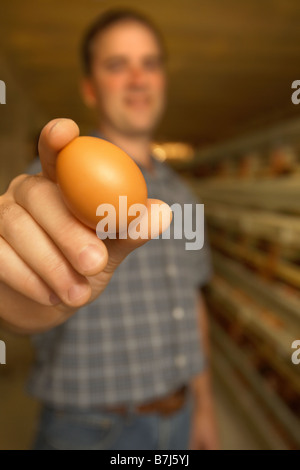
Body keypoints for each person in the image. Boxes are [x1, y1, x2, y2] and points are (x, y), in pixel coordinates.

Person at [0, 8, 220, 450]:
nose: (138, 78)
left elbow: (192, 299)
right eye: (117, 65)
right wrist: (21, 305)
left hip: (180, 420)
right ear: (90, 88)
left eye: (150, 63)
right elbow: (19, 296)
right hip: (87, 431)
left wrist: (204, 408)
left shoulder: (184, 195)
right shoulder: (54, 184)